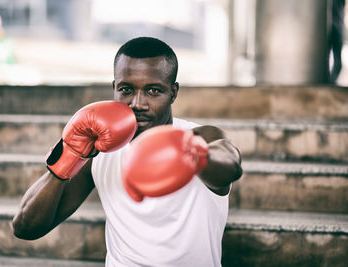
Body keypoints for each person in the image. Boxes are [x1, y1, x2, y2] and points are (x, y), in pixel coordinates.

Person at [12, 37, 242, 267]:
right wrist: (69, 157)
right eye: (126, 90)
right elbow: (25, 228)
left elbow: (231, 165)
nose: (137, 103)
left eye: (153, 90)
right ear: (114, 88)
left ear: (173, 92)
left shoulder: (201, 136)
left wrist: (192, 153)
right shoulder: (100, 151)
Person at [329, 0, 346, 84]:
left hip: (337, 29)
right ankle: (329, 83)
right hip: (331, 29)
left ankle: (330, 83)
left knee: (338, 63)